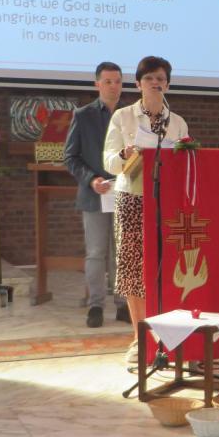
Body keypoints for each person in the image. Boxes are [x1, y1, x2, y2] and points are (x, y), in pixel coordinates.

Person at [103, 56, 189, 366]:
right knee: (133, 271)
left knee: (165, 268)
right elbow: (108, 162)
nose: (155, 83)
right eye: (149, 78)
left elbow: (185, 162)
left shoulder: (177, 122)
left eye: (161, 78)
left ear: (168, 85)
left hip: (166, 201)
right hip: (132, 199)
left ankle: (168, 336)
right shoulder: (123, 117)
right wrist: (124, 155)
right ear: (138, 83)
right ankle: (141, 339)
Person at [64, 61, 124, 328]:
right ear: (97, 84)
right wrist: (91, 179)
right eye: (108, 81)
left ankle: (123, 303)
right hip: (94, 193)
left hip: (124, 193)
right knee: (97, 252)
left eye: (118, 82)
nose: (113, 87)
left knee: (122, 252)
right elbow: (71, 157)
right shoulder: (83, 115)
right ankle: (96, 305)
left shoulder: (130, 115)